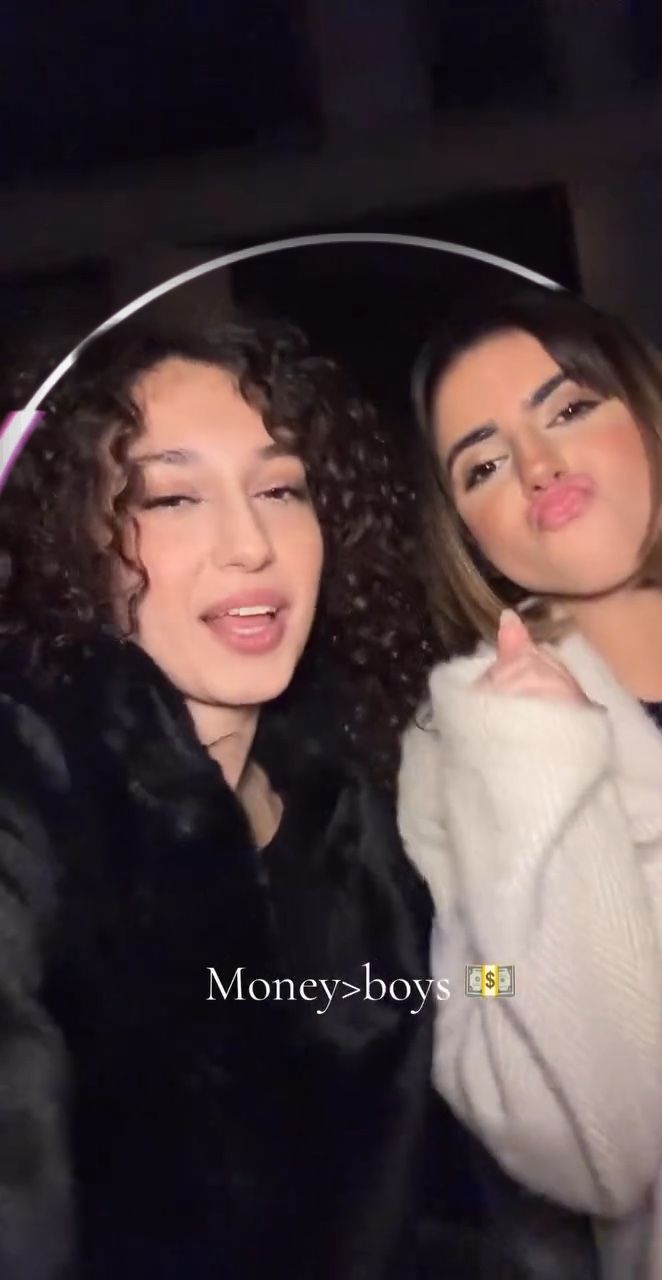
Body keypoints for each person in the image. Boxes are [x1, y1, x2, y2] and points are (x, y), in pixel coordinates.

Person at [0, 315, 598, 1280]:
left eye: (281, 489)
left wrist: (551, 812)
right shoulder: (30, 791)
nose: (250, 545)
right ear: (66, 535)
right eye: (172, 497)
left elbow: (482, 1041)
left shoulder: (357, 808)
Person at [398, 288, 662, 1279]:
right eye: (485, 464)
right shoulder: (469, 757)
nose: (538, 465)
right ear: (470, 535)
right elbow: (592, 1152)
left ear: (656, 418)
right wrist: (545, 767)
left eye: (570, 408)